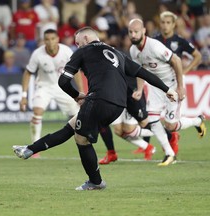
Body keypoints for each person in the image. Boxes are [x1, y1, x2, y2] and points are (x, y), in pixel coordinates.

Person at [13, 26, 178, 190]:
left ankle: (95, 181)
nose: (77, 46)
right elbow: (143, 72)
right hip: (119, 104)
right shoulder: (116, 53)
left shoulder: (83, 52)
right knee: (71, 127)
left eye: (78, 43)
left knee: (80, 138)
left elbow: (63, 81)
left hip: (99, 99)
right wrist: (168, 89)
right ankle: (30, 149)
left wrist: (76, 95)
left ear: (85, 39)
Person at [128, 18, 206, 165]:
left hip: (172, 84)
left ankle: (197, 120)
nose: (133, 35)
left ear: (144, 31)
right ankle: (169, 153)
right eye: (130, 32)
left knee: (171, 125)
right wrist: (139, 89)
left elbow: (176, 60)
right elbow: (140, 71)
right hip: (156, 87)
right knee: (152, 118)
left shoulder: (154, 46)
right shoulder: (133, 50)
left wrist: (180, 86)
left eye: (136, 31)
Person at [19, 29, 83, 152]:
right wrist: (23, 96)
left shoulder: (66, 51)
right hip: (44, 87)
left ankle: (83, 140)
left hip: (63, 88)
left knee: (76, 116)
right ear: (44, 41)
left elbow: (76, 72)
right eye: (47, 39)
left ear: (57, 39)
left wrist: (81, 92)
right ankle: (34, 145)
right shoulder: (37, 54)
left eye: (52, 39)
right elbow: (28, 73)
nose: (50, 42)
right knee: (37, 111)